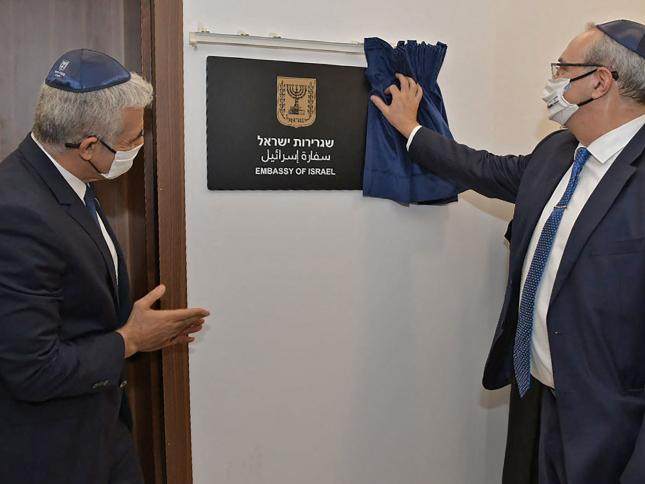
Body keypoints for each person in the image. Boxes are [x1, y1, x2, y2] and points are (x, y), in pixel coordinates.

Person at [371, 19, 645, 484]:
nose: (553, 80)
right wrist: (412, 129)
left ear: (600, 81)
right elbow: (486, 170)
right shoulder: (558, 151)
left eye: (563, 68)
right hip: (535, 396)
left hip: (610, 426)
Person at [0, 49, 210, 483]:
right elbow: (32, 369)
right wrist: (129, 340)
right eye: (132, 141)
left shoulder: (65, 179)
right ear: (89, 146)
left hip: (103, 432)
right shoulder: (17, 211)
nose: (138, 148)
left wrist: (139, 330)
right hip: (53, 453)